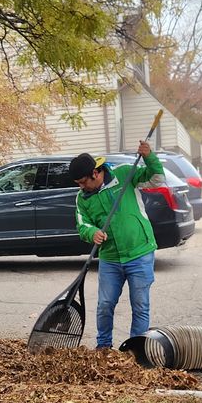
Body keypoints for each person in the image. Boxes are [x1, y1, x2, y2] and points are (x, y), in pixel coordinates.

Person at [69, 140, 165, 350]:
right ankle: (103, 347)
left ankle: (135, 349)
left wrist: (149, 157)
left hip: (139, 251)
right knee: (104, 305)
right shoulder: (82, 198)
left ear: (95, 173)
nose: (81, 186)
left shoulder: (124, 174)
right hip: (110, 258)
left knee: (140, 305)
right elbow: (82, 224)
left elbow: (157, 178)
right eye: (78, 183)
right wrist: (92, 232)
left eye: (83, 181)